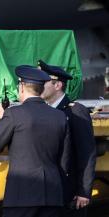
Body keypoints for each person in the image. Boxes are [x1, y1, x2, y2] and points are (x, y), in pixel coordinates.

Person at [0, 65, 71, 217]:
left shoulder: (14, 113)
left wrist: (0, 120)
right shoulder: (59, 116)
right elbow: (64, 159)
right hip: (52, 195)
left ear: (22, 87)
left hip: (22, 195)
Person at [39, 60, 96, 217]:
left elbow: (87, 153)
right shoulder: (42, 111)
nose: (39, 86)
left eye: (44, 82)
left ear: (58, 86)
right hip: (47, 193)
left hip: (69, 194)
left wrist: (84, 191)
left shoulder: (76, 112)